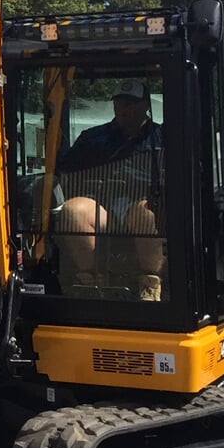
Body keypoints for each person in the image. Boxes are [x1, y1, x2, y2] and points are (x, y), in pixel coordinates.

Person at [55, 80, 164, 300]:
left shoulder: (164, 138)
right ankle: (92, 283)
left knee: (146, 212)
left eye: (131, 103)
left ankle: (150, 284)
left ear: (145, 105)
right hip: (101, 206)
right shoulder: (92, 138)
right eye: (120, 103)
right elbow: (63, 172)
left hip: (141, 205)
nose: (125, 109)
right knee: (72, 211)